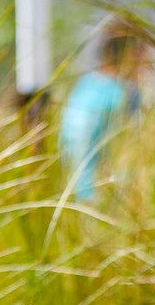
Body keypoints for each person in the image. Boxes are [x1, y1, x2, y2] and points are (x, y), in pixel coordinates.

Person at [58, 17, 146, 202]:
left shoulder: (83, 86)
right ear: (133, 55)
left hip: (73, 197)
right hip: (108, 200)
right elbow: (141, 152)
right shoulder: (125, 95)